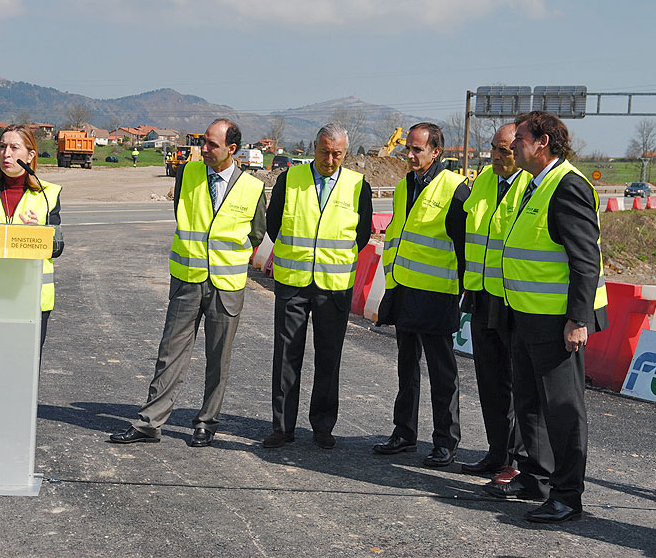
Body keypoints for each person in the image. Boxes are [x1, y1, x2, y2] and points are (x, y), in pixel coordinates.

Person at [110, 119, 266, 447]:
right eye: (203, 142)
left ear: (232, 149)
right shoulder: (188, 174)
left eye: (212, 145)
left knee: (218, 356)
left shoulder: (253, 188)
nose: (204, 149)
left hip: (226, 285)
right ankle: (150, 422)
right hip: (187, 279)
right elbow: (182, 213)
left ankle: (207, 423)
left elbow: (256, 233)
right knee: (170, 351)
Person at [484, 111, 608, 524]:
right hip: (525, 315)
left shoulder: (568, 185)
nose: (513, 143)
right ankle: (535, 477)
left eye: (520, 137)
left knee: (563, 409)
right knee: (530, 403)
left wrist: (578, 319)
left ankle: (568, 495)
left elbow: (585, 261)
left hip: (557, 322)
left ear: (543, 142)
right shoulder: (533, 184)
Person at [262, 123, 373, 450]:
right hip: (292, 285)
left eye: (337, 153)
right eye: (324, 151)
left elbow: (363, 233)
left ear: (345, 153)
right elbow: (273, 225)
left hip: (333, 287)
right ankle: (283, 428)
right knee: (285, 356)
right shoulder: (290, 179)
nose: (330, 159)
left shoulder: (357, 186)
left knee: (328, 358)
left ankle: (323, 426)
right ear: (314, 148)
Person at [373, 122, 469, 467]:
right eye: (407, 149)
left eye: (417, 150)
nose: (409, 155)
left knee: (443, 374)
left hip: (438, 295)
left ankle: (446, 441)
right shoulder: (403, 187)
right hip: (404, 290)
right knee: (406, 369)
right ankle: (404, 433)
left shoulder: (456, 189)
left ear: (436, 152)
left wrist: (461, 293)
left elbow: (463, 248)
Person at [459, 123, 532, 484]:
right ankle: (496, 452)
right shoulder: (485, 180)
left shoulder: (531, 185)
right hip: (482, 294)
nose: (498, 156)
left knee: (518, 385)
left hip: (514, 300)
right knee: (489, 381)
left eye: (505, 150)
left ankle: (516, 462)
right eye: (494, 149)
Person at [0, 124, 64, 346]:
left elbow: (57, 247)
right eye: (2, 146)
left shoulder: (48, 194)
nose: (6, 153)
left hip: (30, 299)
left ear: (30, 156)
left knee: (24, 374)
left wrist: (40, 232)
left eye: (14, 147)